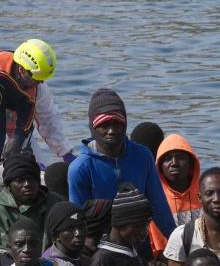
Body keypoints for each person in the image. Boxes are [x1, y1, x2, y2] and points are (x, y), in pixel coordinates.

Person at [68, 89, 175, 241]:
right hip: (100, 245)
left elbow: (158, 206)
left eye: (117, 123)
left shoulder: (143, 156)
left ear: (125, 124)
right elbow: (79, 220)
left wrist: (177, 242)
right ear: (92, 127)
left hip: (138, 241)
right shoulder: (80, 168)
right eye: (104, 125)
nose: (111, 131)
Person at [149, 134, 220, 254]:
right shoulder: (155, 199)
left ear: (191, 164)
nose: (174, 163)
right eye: (167, 158)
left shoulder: (210, 193)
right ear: (160, 166)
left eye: (180, 157)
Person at [1, 39, 74, 162]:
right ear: (22, 70)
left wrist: (66, 153)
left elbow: (48, 118)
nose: (41, 82)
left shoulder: (38, 86)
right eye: (38, 78)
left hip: (19, 133)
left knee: (36, 169)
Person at [90, 185, 155, 266]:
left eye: (146, 225)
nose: (144, 232)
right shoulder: (102, 261)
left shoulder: (132, 247)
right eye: (137, 226)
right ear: (119, 223)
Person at [0, 151, 64, 250]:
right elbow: (4, 251)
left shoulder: (55, 202)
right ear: (9, 184)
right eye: (20, 180)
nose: (27, 184)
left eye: (31, 179)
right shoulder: (2, 210)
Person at [42, 201, 90, 266]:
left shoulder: (83, 257)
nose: (78, 233)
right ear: (56, 235)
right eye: (70, 228)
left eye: (81, 226)